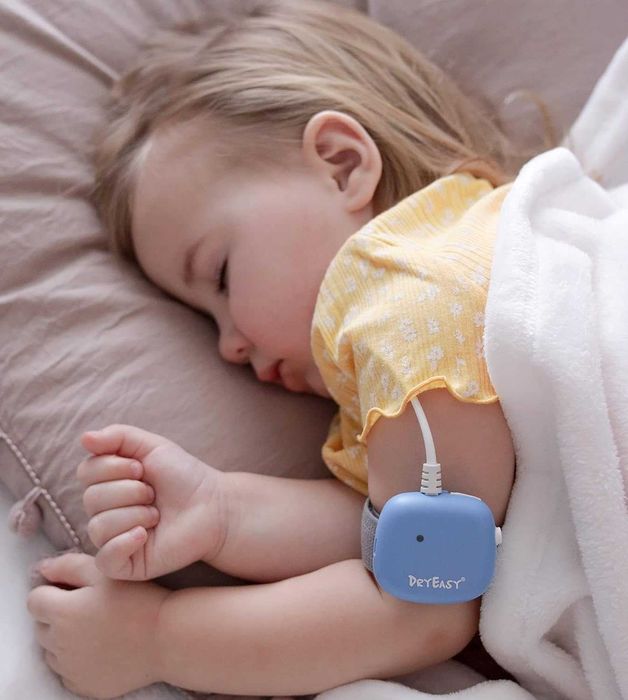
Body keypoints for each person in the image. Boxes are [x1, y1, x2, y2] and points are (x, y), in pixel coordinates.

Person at [27, 1, 549, 696]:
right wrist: (222, 512)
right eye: (203, 316)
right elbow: (389, 528)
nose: (227, 346)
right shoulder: (471, 247)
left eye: (220, 277)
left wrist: (155, 640)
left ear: (341, 165)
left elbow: (424, 603)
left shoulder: (408, 305)